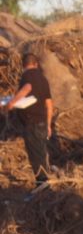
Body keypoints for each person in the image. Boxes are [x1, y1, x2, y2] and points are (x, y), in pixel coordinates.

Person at [2, 53, 53, 186]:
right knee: (42, 153)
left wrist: (11, 103)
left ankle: (42, 184)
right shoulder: (43, 79)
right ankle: (45, 182)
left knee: (35, 156)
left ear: (24, 65)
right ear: (36, 64)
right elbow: (49, 104)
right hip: (42, 123)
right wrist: (48, 125)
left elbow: (27, 88)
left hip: (32, 123)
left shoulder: (27, 75)